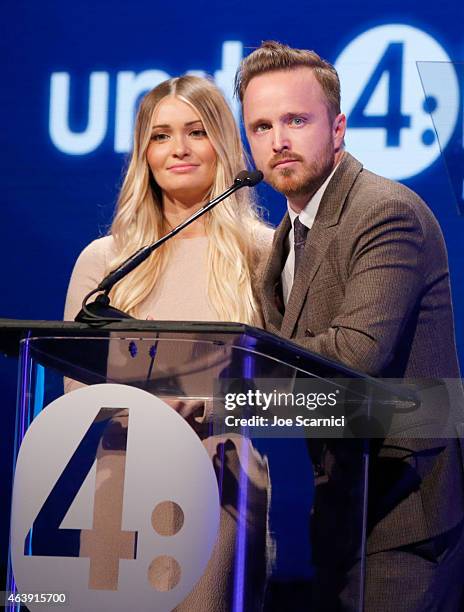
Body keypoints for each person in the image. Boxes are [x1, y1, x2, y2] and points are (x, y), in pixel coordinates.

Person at [235, 41, 464, 610]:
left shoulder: (385, 212)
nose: (279, 140)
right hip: (342, 510)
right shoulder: (286, 236)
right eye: (261, 126)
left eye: (296, 120)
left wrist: (227, 394)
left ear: (338, 128)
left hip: (408, 511)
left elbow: (352, 358)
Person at [64, 75, 273, 611]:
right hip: (119, 479)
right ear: (143, 153)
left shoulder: (265, 254)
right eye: (160, 135)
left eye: (196, 132)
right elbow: (73, 389)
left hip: (217, 478)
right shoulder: (105, 262)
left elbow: (289, 383)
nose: (178, 149)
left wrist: (203, 404)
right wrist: (145, 404)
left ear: (222, 144)